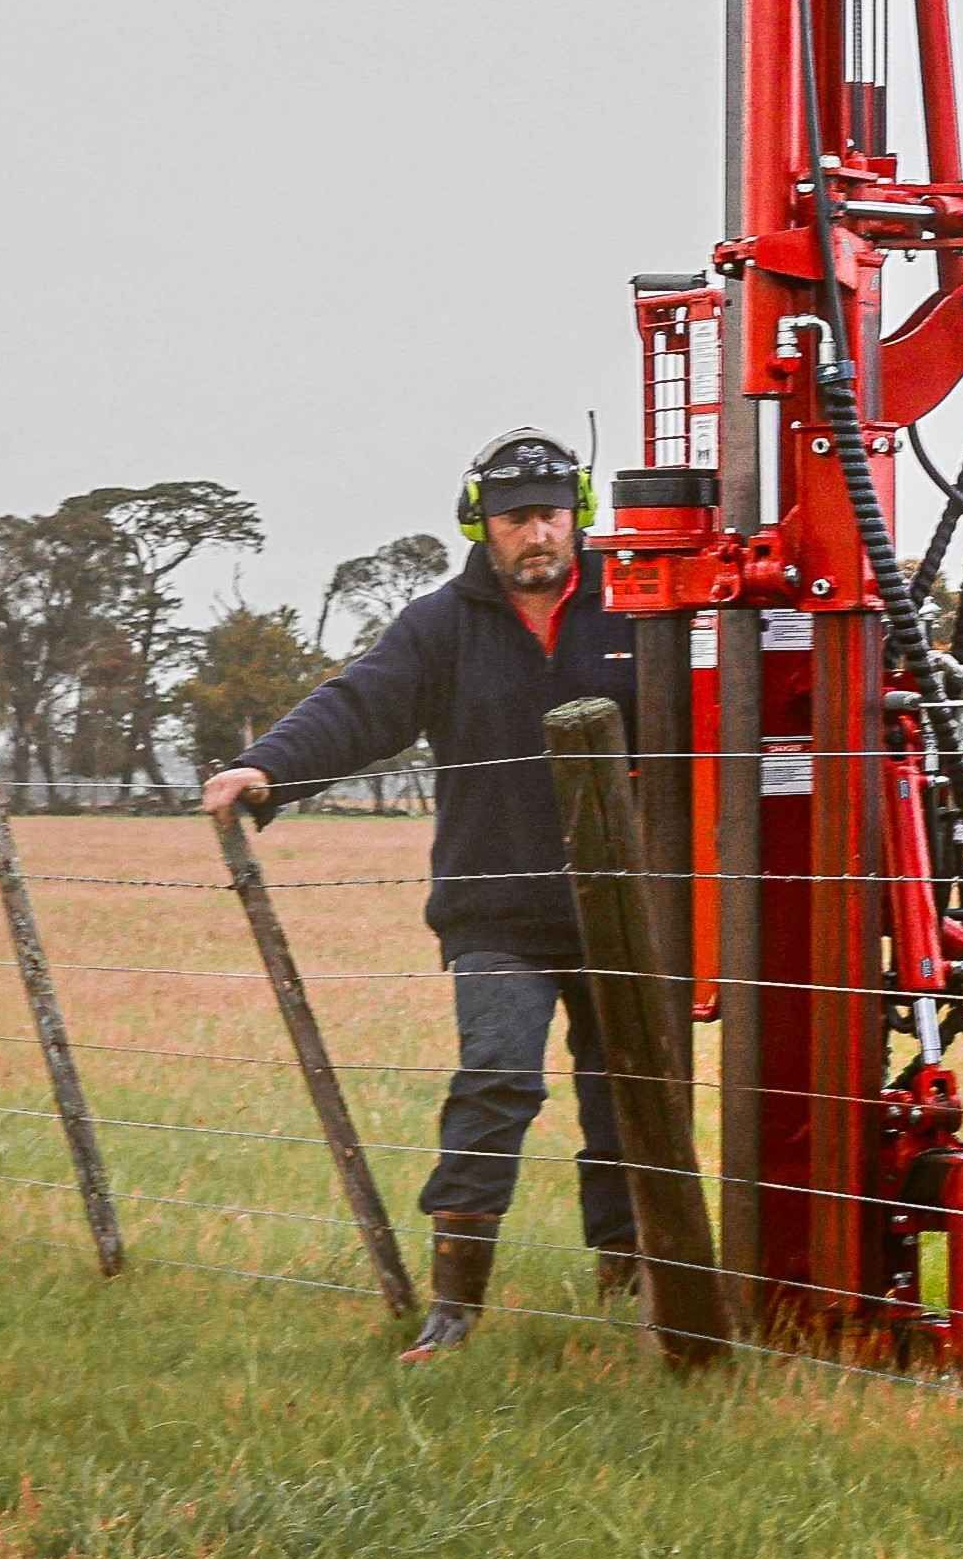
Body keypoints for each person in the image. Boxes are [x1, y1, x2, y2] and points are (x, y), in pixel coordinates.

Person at [205, 430, 640, 1360]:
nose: (537, 534)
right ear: (481, 524)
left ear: (580, 515)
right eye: (516, 518)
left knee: (632, 1097)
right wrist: (267, 768)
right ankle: (454, 1309)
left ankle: (632, 1275)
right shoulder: (442, 626)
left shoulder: (640, 609)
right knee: (496, 1080)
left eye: (551, 514)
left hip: (629, 912)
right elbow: (359, 705)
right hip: (498, 915)